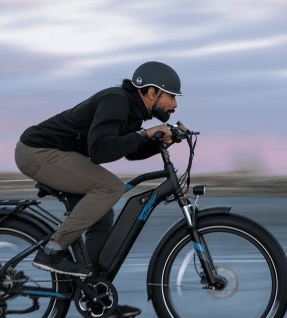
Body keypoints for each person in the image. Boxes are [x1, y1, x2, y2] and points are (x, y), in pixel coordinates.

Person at [15, 61, 184, 286]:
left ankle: (94, 286)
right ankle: (52, 251)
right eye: (171, 96)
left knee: (101, 212)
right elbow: (100, 151)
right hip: (38, 152)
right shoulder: (116, 101)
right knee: (110, 187)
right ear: (152, 92)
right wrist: (144, 134)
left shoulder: (132, 110)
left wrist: (161, 141)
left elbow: (130, 152)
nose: (174, 104)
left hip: (56, 154)